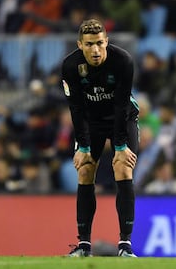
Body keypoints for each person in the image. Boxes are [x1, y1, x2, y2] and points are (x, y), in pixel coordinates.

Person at [61, 19, 138, 257]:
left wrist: (121, 145)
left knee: (123, 168)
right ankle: (84, 245)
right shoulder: (70, 65)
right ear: (80, 45)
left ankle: (125, 245)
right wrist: (82, 146)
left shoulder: (123, 61)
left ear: (107, 42)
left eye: (100, 43)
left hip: (122, 117)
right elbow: (76, 108)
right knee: (85, 170)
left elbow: (121, 106)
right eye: (89, 44)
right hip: (91, 122)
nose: (95, 50)